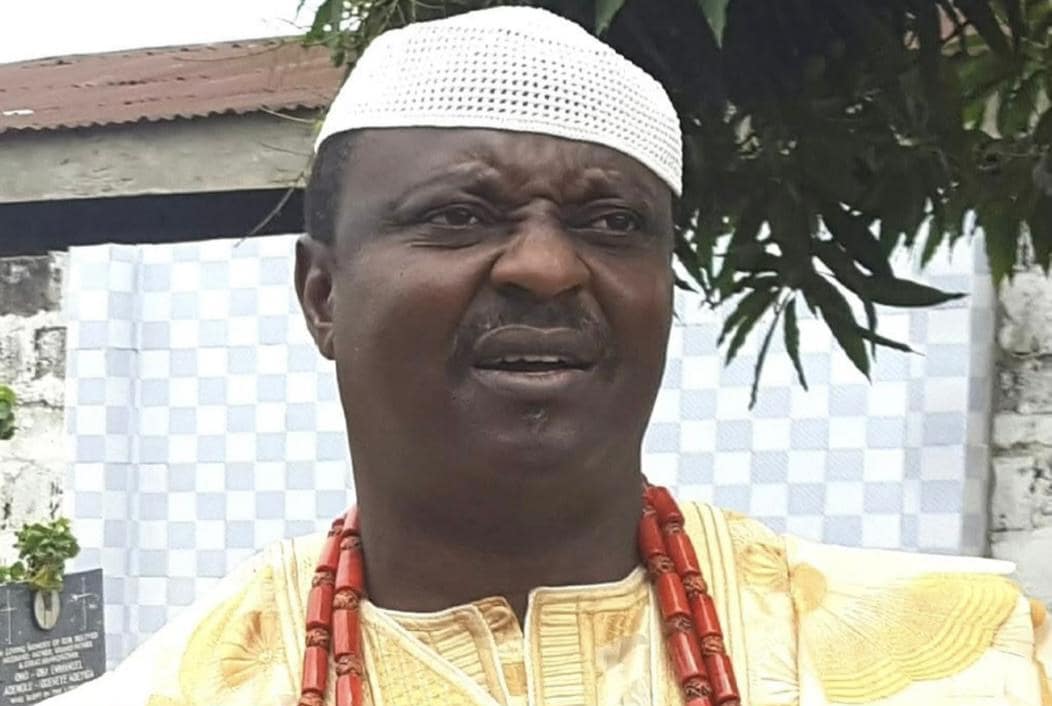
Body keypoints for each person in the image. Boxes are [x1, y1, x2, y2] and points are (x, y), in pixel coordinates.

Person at [45, 7, 1050, 706]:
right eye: (458, 215)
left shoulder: (980, 660)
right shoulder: (169, 689)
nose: (545, 266)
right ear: (323, 296)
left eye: (611, 222)